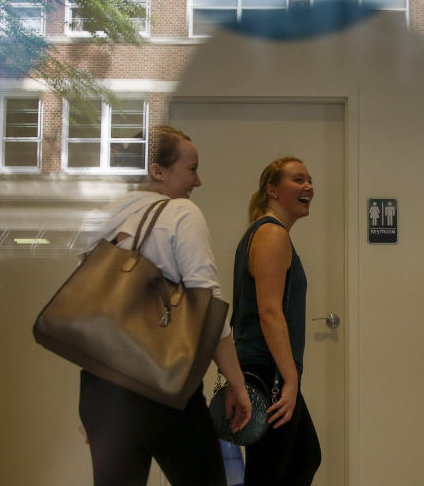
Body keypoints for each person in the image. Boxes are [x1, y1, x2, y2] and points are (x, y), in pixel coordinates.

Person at [78, 125, 252, 486]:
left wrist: (95, 406)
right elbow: (207, 306)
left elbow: (91, 315)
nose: (198, 181)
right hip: (163, 385)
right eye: (191, 169)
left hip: (101, 389)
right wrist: (236, 384)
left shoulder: (99, 219)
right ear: (158, 170)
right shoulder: (181, 214)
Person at [231, 156, 322, 485]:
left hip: (266, 370)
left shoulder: (269, 233)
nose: (308, 186)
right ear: (272, 189)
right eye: (298, 180)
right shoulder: (271, 234)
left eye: (309, 180)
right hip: (266, 371)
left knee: (303, 457)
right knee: (271, 471)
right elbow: (270, 312)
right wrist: (290, 379)